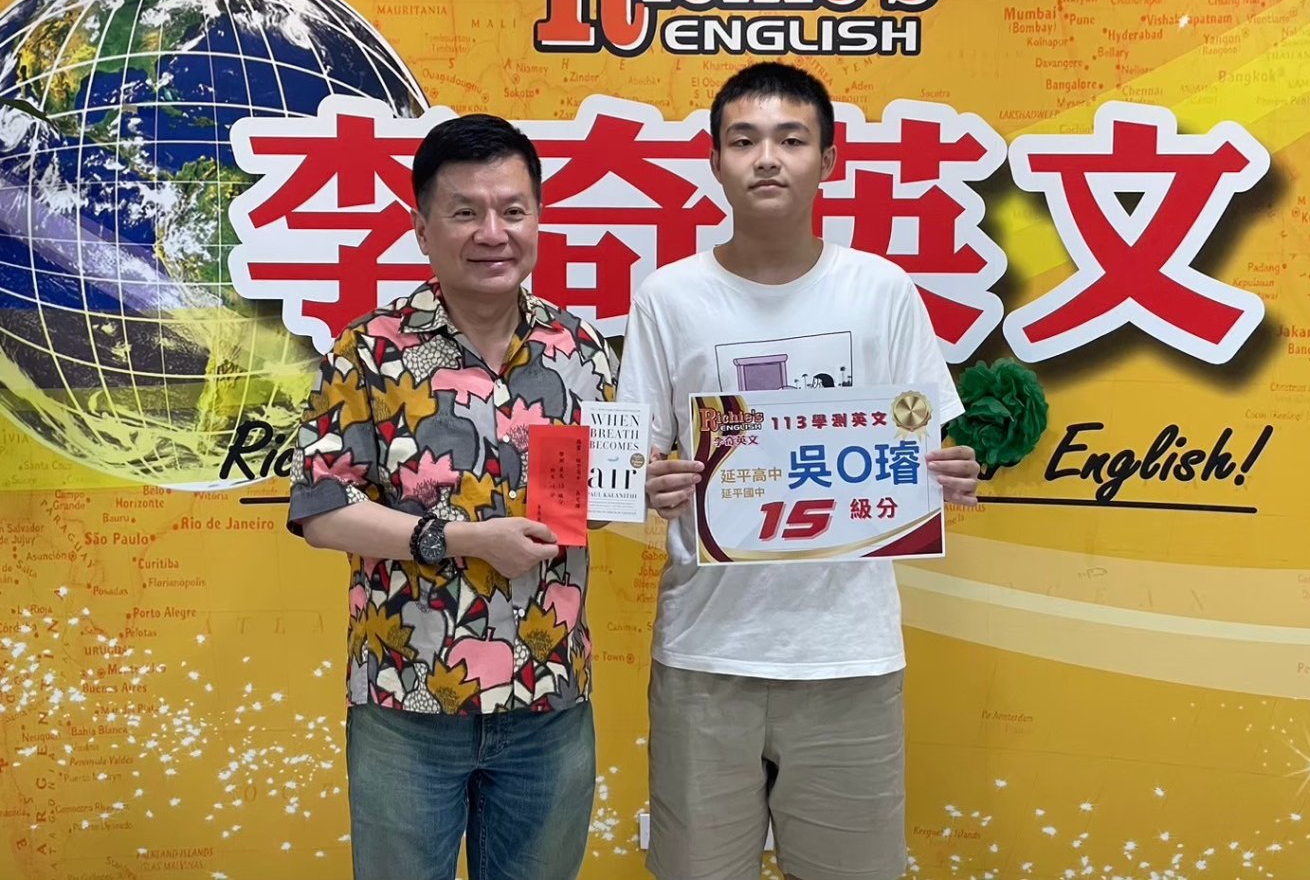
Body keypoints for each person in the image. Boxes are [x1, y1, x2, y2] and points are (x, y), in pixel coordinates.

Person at [616, 62, 982, 880]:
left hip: (849, 656)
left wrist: (951, 473)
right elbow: (631, 463)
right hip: (706, 655)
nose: (767, 159)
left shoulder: (882, 291)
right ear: (715, 162)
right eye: (744, 140)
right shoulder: (668, 297)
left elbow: (927, 446)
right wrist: (650, 483)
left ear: (829, 159)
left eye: (791, 139)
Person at [287, 114, 616, 880]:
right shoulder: (371, 350)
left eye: (513, 210)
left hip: (550, 698)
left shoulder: (582, 350)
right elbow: (323, 509)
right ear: (423, 228)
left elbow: (596, 496)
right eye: (466, 212)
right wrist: (462, 539)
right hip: (408, 702)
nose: (492, 233)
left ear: (538, 218)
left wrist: (644, 487)